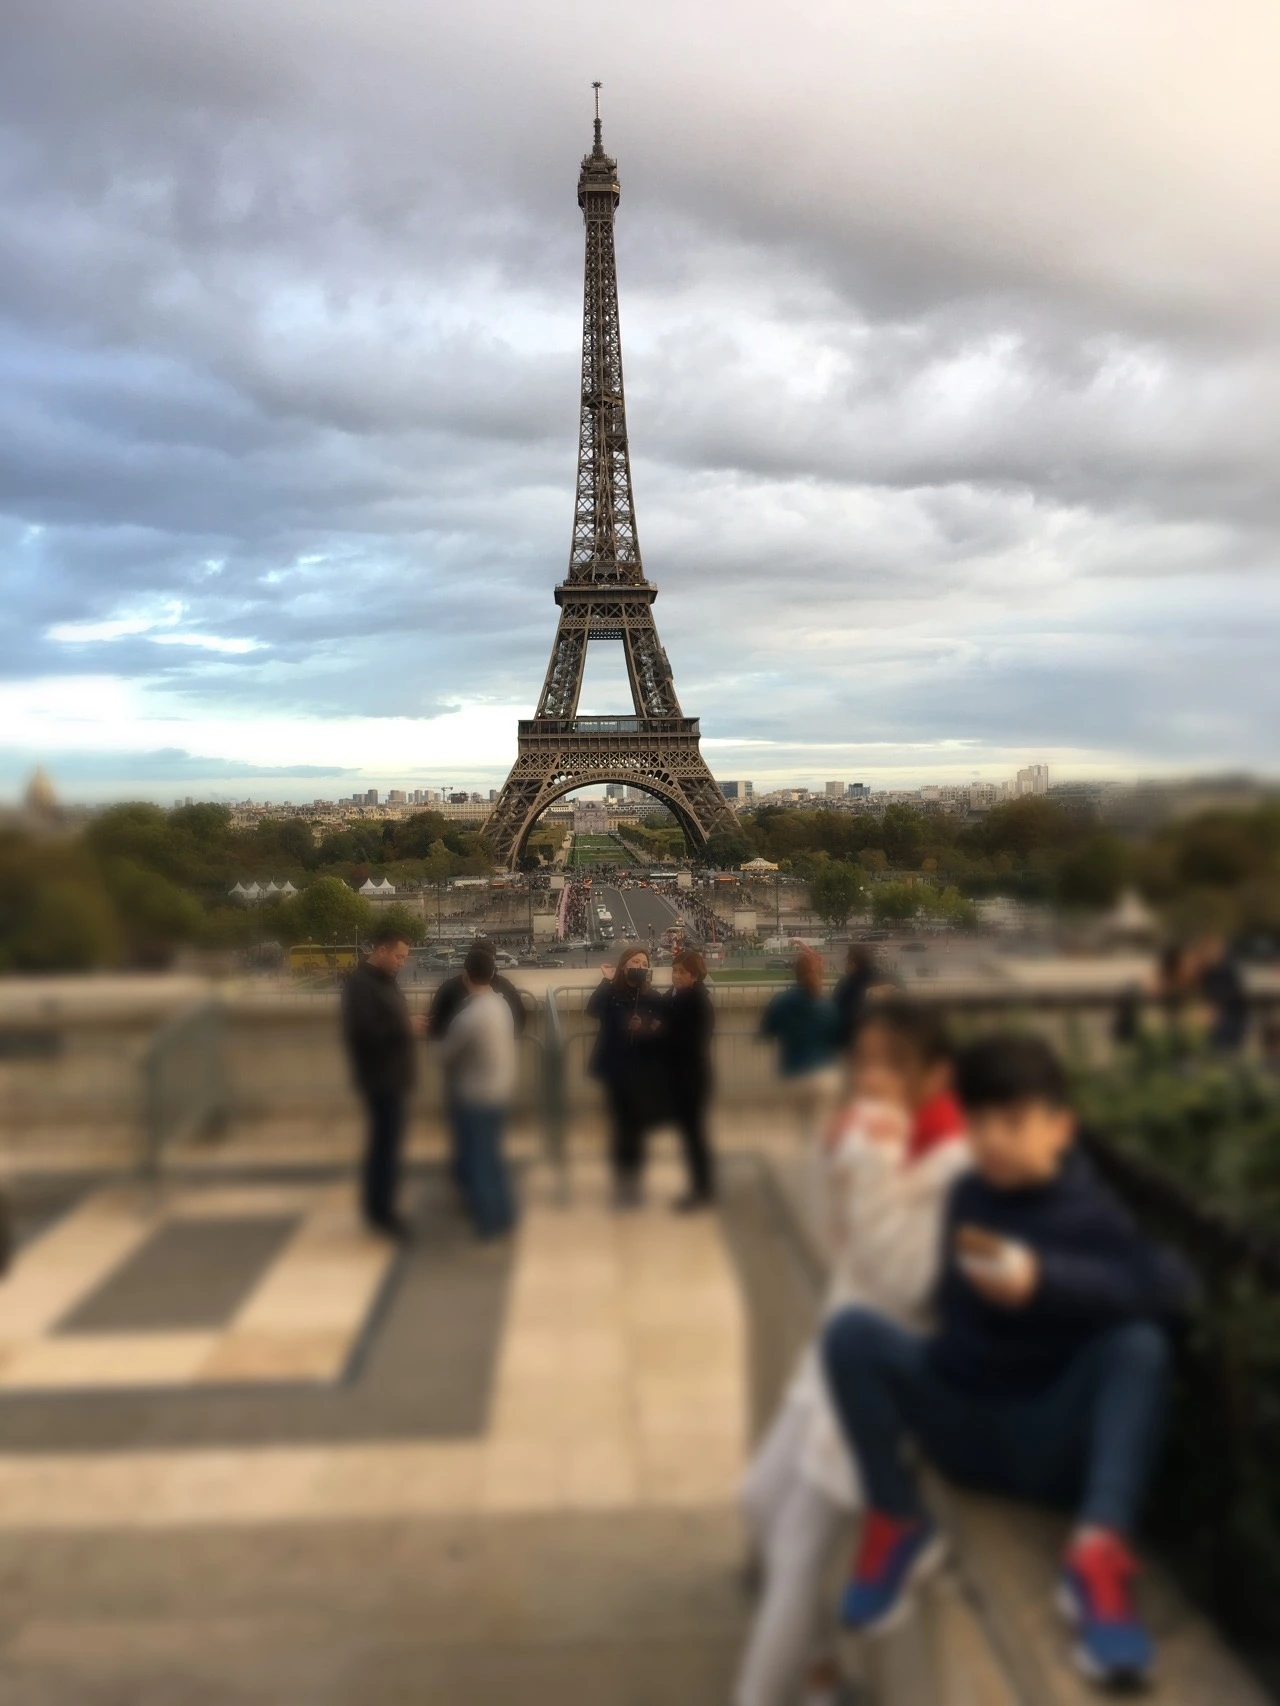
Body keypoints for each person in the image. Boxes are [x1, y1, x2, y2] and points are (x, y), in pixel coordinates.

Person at [822, 1032, 1195, 1688]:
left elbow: (1172, 1285)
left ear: (1060, 1129)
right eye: (979, 1124)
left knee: (1139, 1348)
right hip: (963, 1421)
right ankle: (898, 1518)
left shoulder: (1090, 1212)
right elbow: (945, 1310)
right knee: (852, 1335)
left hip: (1042, 1441)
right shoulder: (968, 1192)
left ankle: (1097, 1554)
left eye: (1013, 1122)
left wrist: (1044, 1281)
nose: (992, 1140)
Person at [736, 1002, 968, 1706]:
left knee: (797, 1551)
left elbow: (907, 1280)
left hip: (878, 1371)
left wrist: (868, 1162)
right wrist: (842, 1156)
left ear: (936, 1075)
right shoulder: (886, 1135)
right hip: (833, 1353)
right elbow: (840, 1239)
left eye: (891, 1064)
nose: (869, 1078)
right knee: (757, 1501)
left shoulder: (952, 1162)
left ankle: (775, 1693)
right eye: (862, 1060)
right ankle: (822, 1677)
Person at [340, 922, 426, 1238]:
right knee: (384, 1149)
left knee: (387, 1146)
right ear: (381, 951)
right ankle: (382, 1214)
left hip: (392, 1076)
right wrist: (405, 1027)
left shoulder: (383, 981)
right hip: (380, 1078)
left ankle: (380, 1208)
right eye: (399, 957)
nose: (403, 963)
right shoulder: (360, 985)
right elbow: (364, 1033)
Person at [436, 944, 518, 1239]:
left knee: (480, 1159)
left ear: (465, 975)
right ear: (493, 973)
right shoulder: (502, 1006)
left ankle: (489, 1220)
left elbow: (446, 1055)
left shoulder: (468, 1016)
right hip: (499, 1089)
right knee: (492, 1157)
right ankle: (503, 1214)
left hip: (474, 1095)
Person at [586, 944, 668, 1207]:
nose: (640, 967)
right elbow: (592, 1010)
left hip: (641, 1068)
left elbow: (661, 1026)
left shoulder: (653, 996)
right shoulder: (611, 992)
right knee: (620, 1125)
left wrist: (644, 1027)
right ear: (623, 966)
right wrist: (606, 981)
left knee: (636, 1127)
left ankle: (635, 1182)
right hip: (616, 1065)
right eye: (635, 962)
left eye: (644, 964)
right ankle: (622, 1180)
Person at [665, 948, 716, 1211]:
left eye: (682, 972)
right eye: (674, 970)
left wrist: (660, 1032)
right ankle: (700, 1187)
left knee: (694, 1136)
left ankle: (702, 1190)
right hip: (681, 1076)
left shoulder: (698, 1003)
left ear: (694, 976)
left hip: (691, 1077)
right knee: (690, 1135)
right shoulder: (676, 997)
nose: (676, 976)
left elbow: (692, 1041)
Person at [1191, 930, 1248, 1052]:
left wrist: (1214, 1008)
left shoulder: (1225, 970)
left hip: (1229, 1018)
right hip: (1219, 1018)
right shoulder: (1207, 972)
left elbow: (1231, 995)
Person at [831, 945, 887, 1049]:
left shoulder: (846, 985)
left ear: (853, 965)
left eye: (846, 960)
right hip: (881, 1041)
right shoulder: (884, 979)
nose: (844, 962)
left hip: (852, 1041)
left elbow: (835, 1014)